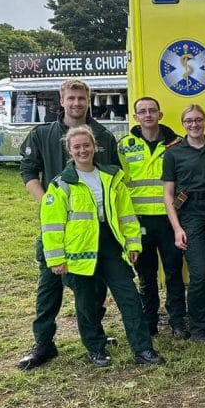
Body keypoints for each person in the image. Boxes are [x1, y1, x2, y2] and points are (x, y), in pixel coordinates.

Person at [40, 126, 164, 367]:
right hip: (79, 251)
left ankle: (143, 349)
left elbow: (126, 215)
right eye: (77, 147)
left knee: (129, 298)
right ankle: (95, 349)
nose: (82, 150)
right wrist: (56, 259)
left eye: (86, 145)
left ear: (94, 147)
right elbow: (52, 225)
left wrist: (133, 243)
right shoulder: (61, 184)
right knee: (86, 303)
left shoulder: (111, 177)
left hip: (111, 245)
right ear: (69, 150)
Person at [16, 79, 118, 370]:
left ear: (89, 100)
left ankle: (95, 337)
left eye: (81, 98)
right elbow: (28, 171)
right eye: (71, 98)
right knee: (49, 287)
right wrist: (50, 205)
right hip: (58, 230)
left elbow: (111, 177)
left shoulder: (103, 136)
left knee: (92, 288)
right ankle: (43, 344)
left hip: (91, 229)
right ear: (61, 101)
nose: (76, 103)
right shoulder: (42, 134)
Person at [117, 97, 188, 339]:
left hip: (169, 220)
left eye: (152, 111)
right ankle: (150, 321)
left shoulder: (177, 143)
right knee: (146, 274)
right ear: (135, 117)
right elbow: (120, 185)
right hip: (139, 221)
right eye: (142, 112)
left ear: (160, 114)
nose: (148, 115)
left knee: (174, 272)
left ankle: (178, 321)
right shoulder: (124, 146)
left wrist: (178, 208)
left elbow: (185, 181)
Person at [162, 104, 205, 343]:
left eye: (198, 119)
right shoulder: (173, 153)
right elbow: (168, 195)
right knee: (200, 274)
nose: (194, 124)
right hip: (190, 216)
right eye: (189, 120)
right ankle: (199, 328)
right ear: (183, 124)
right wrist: (177, 228)